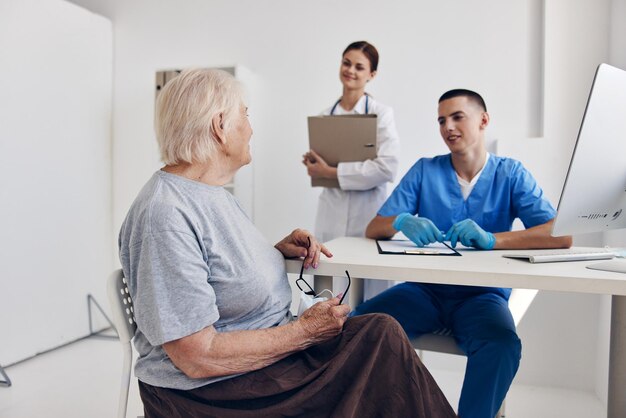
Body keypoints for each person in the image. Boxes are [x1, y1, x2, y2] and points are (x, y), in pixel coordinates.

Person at [118, 68, 457, 418]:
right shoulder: (165, 215)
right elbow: (196, 356)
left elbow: (215, 266)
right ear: (220, 126)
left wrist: (271, 253)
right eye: (245, 115)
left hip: (256, 369)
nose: (250, 128)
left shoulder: (211, 194)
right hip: (215, 393)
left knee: (380, 333)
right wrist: (305, 332)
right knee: (379, 344)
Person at [352, 89, 573, 418]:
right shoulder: (425, 170)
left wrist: (493, 240)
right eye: (441, 120)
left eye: (457, 117)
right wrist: (400, 220)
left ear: (483, 120)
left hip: (482, 298)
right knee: (360, 326)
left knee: (501, 346)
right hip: (424, 291)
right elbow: (374, 227)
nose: (447, 127)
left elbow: (560, 234)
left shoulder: (510, 173)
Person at [303, 41, 400, 300]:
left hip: (367, 215)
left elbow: (387, 167)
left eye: (359, 67)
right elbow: (322, 166)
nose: (351, 71)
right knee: (327, 292)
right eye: (347, 63)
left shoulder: (381, 114)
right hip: (331, 213)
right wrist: (314, 166)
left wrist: (331, 171)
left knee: (371, 296)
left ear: (372, 75)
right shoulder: (325, 116)